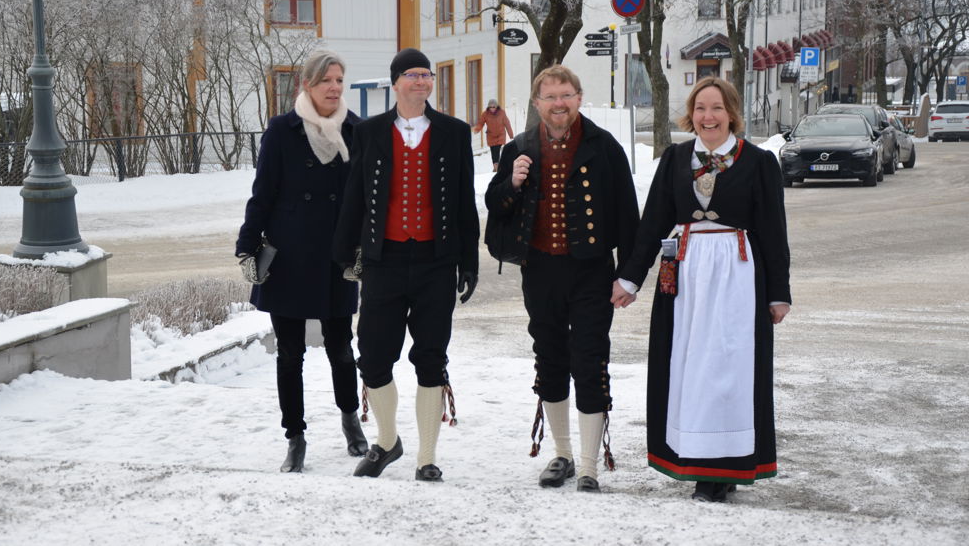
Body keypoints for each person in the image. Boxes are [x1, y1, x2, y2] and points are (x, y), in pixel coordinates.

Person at [614, 76, 791, 502]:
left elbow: (772, 230)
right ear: (690, 115)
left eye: (716, 108)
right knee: (689, 368)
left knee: (729, 369)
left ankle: (725, 469)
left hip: (737, 276)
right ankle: (694, 460)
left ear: (731, 113)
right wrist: (631, 277)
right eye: (699, 109)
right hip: (686, 276)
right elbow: (654, 221)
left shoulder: (759, 162)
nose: (707, 117)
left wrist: (778, 292)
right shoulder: (675, 158)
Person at [484, 64, 639, 493]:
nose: (559, 104)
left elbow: (628, 218)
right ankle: (563, 454)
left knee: (590, 360)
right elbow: (495, 205)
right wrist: (510, 183)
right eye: (550, 97)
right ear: (536, 103)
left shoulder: (603, 147)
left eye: (566, 95)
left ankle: (589, 464)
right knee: (550, 359)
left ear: (579, 97)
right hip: (540, 270)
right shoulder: (519, 146)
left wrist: (628, 277)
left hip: (591, 270)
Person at [332, 47, 479, 482]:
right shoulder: (371, 131)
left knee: (431, 358)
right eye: (412, 75)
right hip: (385, 260)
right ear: (395, 83)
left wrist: (468, 261)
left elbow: (464, 200)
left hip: (436, 260)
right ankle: (387, 441)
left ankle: (427, 457)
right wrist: (344, 253)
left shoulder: (454, 132)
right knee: (374, 358)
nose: (421, 81)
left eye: (426, 75)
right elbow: (355, 194)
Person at [235, 49, 368, 473]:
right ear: (306, 86)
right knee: (290, 355)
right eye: (326, 80)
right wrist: (247, 244)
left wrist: (365, 246)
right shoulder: (281, 130)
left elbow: (367, 199)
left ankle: (351, 421)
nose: (334, 88)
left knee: (341, 349)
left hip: (337, 255)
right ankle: (295, 437)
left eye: (339, 81)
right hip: (289, 255)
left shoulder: (356, 130)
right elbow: (263, 193)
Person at [473, 98, 514, 171]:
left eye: (493, 107)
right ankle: (495, 166)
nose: (492, 108)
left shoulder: (502, 113)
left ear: (496, 106)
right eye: (490, 107)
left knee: (497, 150)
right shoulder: (485, 114)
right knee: (493, 151)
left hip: (500, 134)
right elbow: (481, 123)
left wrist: (511, 135)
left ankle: (497, 167)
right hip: (491, 135)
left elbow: (507, 123)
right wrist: (477, 129)